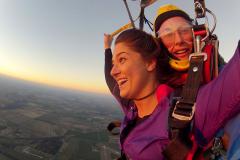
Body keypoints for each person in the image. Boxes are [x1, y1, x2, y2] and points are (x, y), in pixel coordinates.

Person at [104, 28, 240, 159]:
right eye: (113, 64)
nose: (113, 71)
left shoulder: (188, 113)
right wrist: (107, 48)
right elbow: (110, 80)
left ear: (150, 63)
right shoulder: (131, 106)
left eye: (122, 60)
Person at [153, 4, 239, 158]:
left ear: (196, 33)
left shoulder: (218, 70)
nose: (178, 40)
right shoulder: (154, 81)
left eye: (184, 30)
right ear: (159, 43)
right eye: (167, 34)